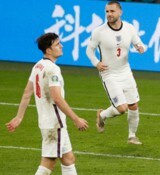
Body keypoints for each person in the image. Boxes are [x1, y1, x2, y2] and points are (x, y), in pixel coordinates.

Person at [6, 33, 89, 175]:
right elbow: (57, 98)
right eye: (57, 44)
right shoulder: (52, 69)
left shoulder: (38, 66)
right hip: (54, 123)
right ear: (49, 50)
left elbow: (27, 93)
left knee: (68, 159)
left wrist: (19, 117)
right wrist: (76, 119)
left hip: (47, 121)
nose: (61, 46)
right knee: (48, 163)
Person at [86, 0, 146, 145]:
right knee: (121, 108)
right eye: (107, 11)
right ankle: (102, 115)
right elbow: (89, 50)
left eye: (112, 11)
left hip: (125, 71)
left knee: (133, 106)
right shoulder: (99, 32)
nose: (109, 14)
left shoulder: (129, 28)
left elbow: (139, 43)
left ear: (120, 12)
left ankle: (132, 136)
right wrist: (96, 63)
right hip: (109, 73)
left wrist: (140, 47)